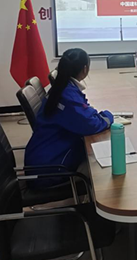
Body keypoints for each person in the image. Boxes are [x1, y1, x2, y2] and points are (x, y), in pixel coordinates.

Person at [24, 48, 113, 187]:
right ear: (85, 69)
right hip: (49, 171)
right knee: (103, 173)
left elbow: (84, 113)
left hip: (44, 158)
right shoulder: (67, 96)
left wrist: (95, 115)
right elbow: (90, 125)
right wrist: (108, 116)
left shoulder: (63, 87)